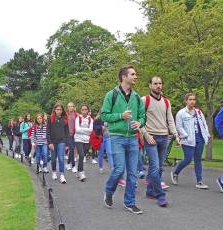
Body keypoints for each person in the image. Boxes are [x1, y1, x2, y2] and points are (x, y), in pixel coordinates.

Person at [101, 65, 145, 214]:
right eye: (133, 74)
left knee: (132, 173)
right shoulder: (111, 95)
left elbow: (142, 116)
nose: (135, 76)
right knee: (119, 169)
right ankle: (109, 191)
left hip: (132, 138)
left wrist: (140, 123)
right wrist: (121, 116)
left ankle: (130, 202)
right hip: (117, 137)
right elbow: (104, 115)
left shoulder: (137, 97)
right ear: (124, 77)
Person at [140, 76, 180, 207]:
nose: (158, 86)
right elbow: (138, 120)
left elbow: (170, 120)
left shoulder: (166, 102)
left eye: (160, 83)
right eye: (155, 83)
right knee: (155, 167)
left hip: (164, 137)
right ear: (150, 85)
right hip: (151, 137)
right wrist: (145, 135)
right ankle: (160, 195)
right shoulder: (144, 100)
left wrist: (175, 134)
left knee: (159, 167)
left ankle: (150, 191)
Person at [171, 93, 210, 189]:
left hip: (200, 139)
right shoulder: (181, 113)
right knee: (188, 159)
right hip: (188, 140)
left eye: (194, 99)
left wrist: (207, 134)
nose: (192, 101)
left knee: (198, 160)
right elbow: (179, 126)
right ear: (186, 101)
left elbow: (204, 124)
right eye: (190, 99)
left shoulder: (199, 112)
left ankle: (199, 181)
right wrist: (185, 136)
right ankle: (175, 173)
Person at [47, 102, 69, 184]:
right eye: (57, 109)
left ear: (62, 110)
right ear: (54, 110)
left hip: (62, 141)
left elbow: (67, 132)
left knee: (61, 158)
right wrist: (49, 143)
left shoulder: (65, 119)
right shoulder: (50, 118)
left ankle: (62, 175)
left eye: (60, 109)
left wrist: (67, 144)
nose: (59, 111)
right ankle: (53, 172)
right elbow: (48, 131)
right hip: (53, 142)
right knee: (53, 159)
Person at [74, 104, 94, 181]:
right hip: (78, 139)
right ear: (81, 110)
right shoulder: (77, 118)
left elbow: (91, 130)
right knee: (81, 155)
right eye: (83, 109)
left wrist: (82, 130)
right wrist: (86, 131)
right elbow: (77, 129)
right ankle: (82, 173)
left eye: (86, 109)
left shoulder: (91, 120)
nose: (84, 111)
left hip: (87, 140)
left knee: (83, 156)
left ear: (88, 110)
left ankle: (78, 170)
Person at [66, 102, 78, 173]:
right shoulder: (65, 115)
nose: (70, 107)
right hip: (68, 135)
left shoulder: (77, 115)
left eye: (71, 106)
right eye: (69, 106)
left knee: (71, 149)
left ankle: (68, 163)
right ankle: (73, 166)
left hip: (75, 134)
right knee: (72, 148)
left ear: (74, 107)